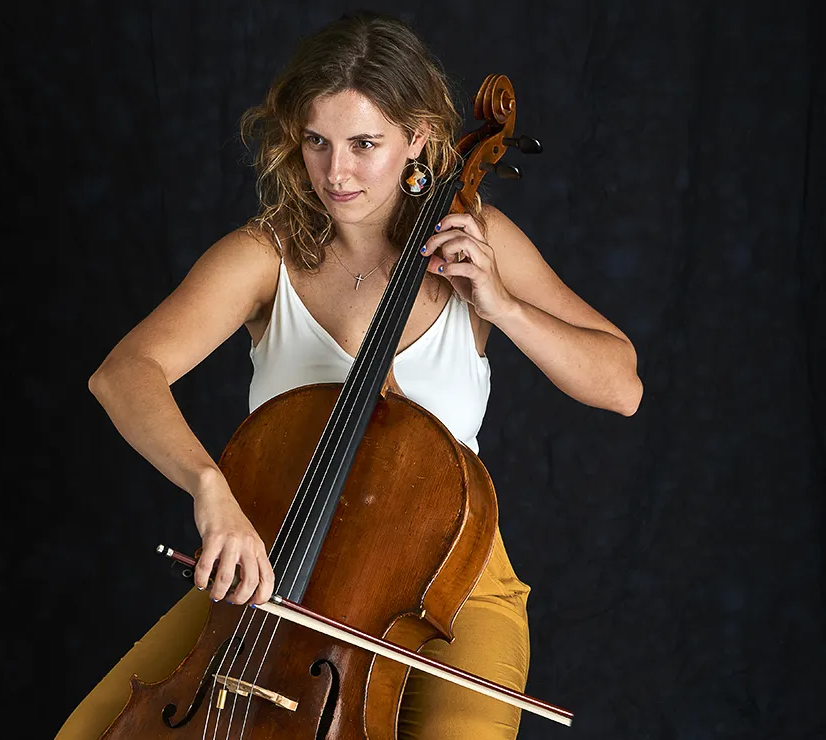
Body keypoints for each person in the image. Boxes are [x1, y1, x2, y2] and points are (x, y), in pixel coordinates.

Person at [57, 12, 642, 740]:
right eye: (317, 142)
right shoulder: (264, 254)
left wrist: (505, 306)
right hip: (278, 565)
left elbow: (622, 386)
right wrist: (211, 489)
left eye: (364, 144)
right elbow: (123, 374)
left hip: (450, 580)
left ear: (417, 137)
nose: (336, 173)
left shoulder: (478, 241)